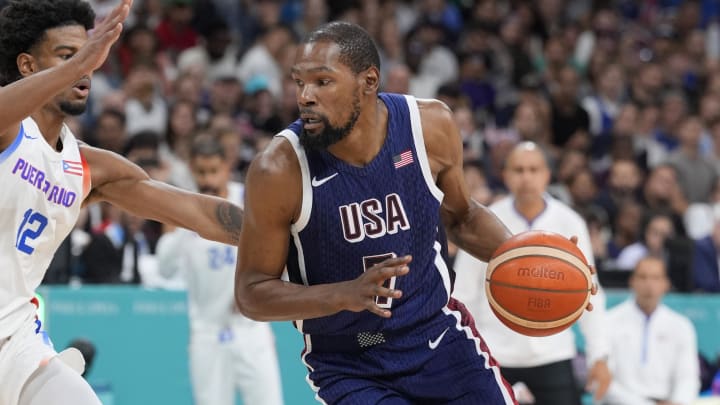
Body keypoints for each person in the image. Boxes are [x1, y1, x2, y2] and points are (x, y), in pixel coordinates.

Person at [235, 21, 594, 404]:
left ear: (368, 82)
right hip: (348, 361)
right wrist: (343, 294)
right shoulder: (279, 168)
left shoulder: (429, 127)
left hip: (437, 339)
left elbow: (462, 216)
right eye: (299, 82)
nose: (305, 96)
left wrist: (533, 259)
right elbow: (252, 293)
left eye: (322, 82)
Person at [0, 1, 243, 405]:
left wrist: (290, 231)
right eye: (67, 56)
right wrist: (80, 61)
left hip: (18, 340)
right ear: (27, 65)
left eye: (89, 57)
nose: (86, 70)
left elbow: (200, 213)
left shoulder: (89, 167)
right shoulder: (9, 130)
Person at [453, 141, 611, 405]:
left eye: (533, 169)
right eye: (519, 169)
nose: (526, 177)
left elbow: (590, 294)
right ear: (505, 176)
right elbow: (463, 294)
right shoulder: (484, 221)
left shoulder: (570, 221)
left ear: (547, 175)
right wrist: (465, 352)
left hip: (553, 354)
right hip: (494, 352)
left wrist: (599, 356)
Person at [156, 137, 283, 405]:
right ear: (191, 169)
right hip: (208, 332)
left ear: (226, 167)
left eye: (213, 171)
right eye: (201, 172)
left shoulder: (249, 201)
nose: (208, 180)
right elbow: (164, 268)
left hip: (251, 328)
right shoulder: (183, 207)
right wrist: (188, 224)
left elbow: (278, 250)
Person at [602, 256, 700, 405]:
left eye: (655, 278)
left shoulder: (681, 326)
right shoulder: (609, 322)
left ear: (666, 284)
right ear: (632, 281)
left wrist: (678, 401)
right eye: (643, 277)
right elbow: (603, 381)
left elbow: (687, 377)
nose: (649, 284)